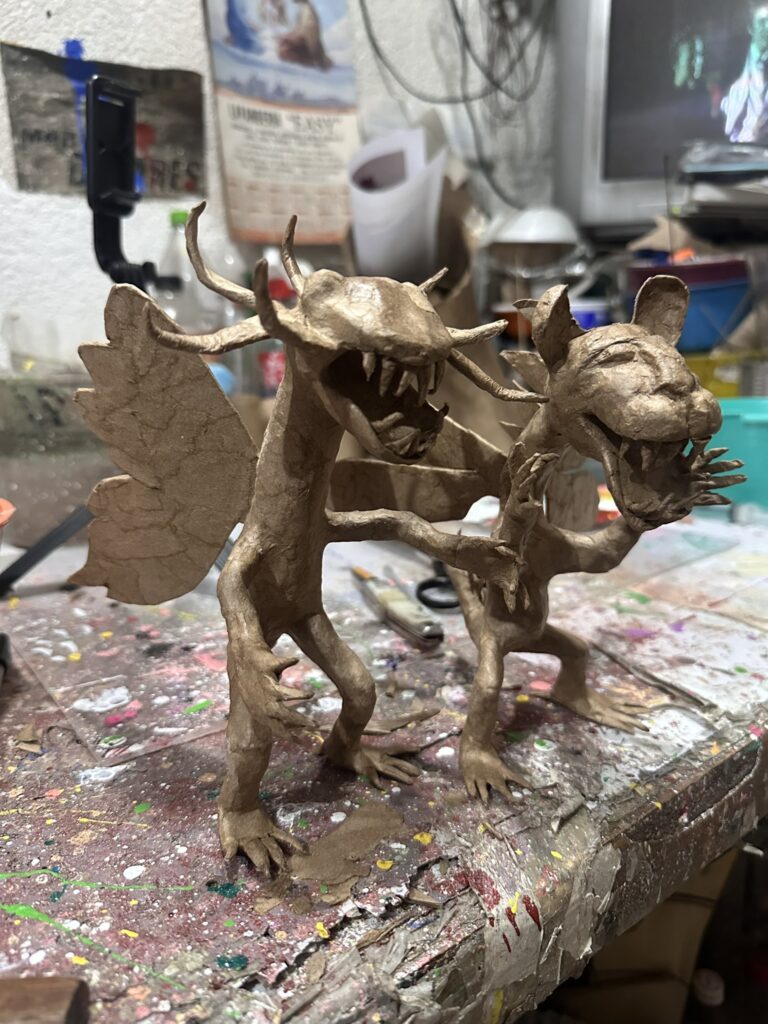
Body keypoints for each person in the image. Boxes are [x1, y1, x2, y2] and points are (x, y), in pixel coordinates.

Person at [722, 3, 768, 142]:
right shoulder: (731, 63)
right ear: (750, 27)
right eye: (762, 22)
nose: (767, 27)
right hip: (731, 146)